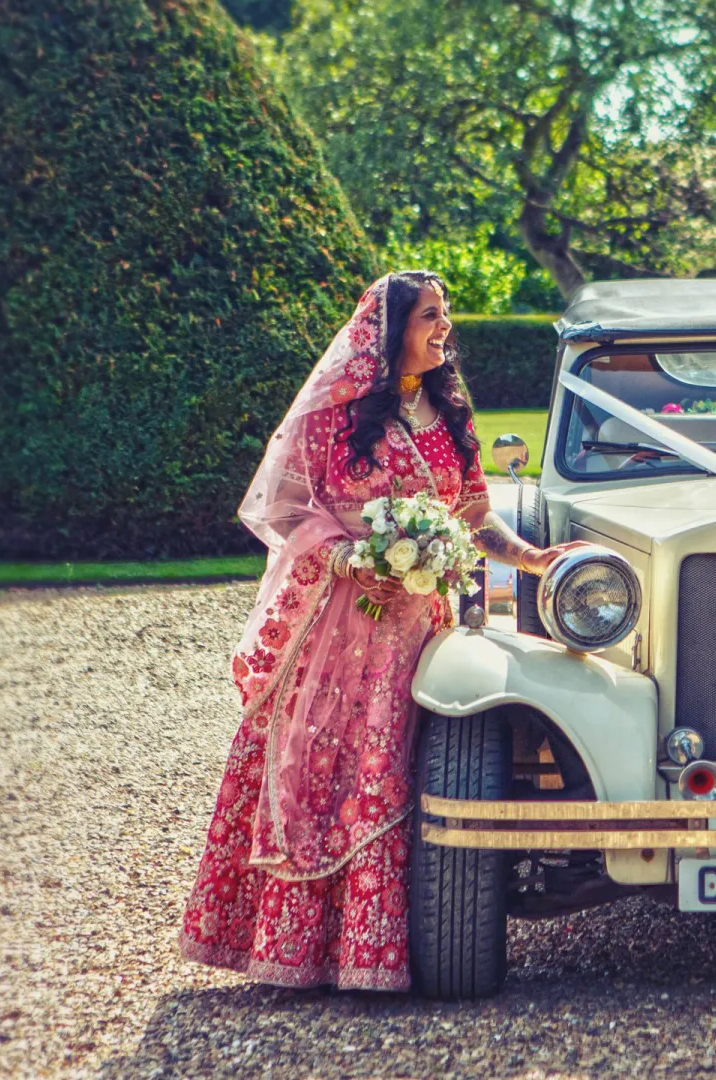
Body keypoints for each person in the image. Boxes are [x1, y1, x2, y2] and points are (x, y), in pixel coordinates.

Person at [178, 271, 582, 991]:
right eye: (431, 315)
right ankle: (303, 954)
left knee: (407, 769)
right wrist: (350, 557)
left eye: (447, 314)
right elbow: (285, 507)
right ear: (389, 330)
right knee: (326, 766)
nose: (445, 327)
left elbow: (475, 517)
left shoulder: (448, 411)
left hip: (425, 631)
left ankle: (382, 951)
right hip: (341, 627)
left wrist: (530, 557)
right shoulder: (338, 414)